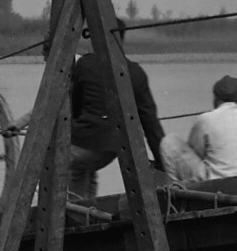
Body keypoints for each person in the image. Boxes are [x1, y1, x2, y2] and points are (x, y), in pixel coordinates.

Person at [68, 29, 165, 202]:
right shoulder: (136, 72)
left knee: (58, 161)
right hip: (113, 148)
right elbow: (150, 122)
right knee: (86, 168)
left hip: (84, 142)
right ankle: (88, 206)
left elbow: (74, 106)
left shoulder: (85, 64)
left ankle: (74, 207)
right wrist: (161, 161)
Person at [162, 75, 237, 184]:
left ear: (215, 98)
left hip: (216, 183)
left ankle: (174, 189)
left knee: (170, 141)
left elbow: (197, 152)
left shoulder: (205, 119)